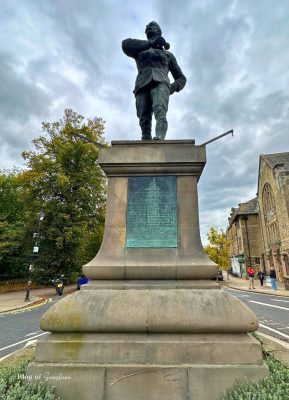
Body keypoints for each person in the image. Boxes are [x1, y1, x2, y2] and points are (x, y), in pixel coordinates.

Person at [122, 21, 186, 141]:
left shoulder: (168, 55)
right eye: (147, 27)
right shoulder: (140, 49)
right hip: (142, 83)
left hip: (161, 82)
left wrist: (174, 86)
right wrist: (150, 43)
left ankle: (160, 138)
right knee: (143, 117)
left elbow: (181, 77)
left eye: (152, 26)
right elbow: (125, 45)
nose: (148, 27)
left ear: (159, 31)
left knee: (160, 110)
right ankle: (146, 141)